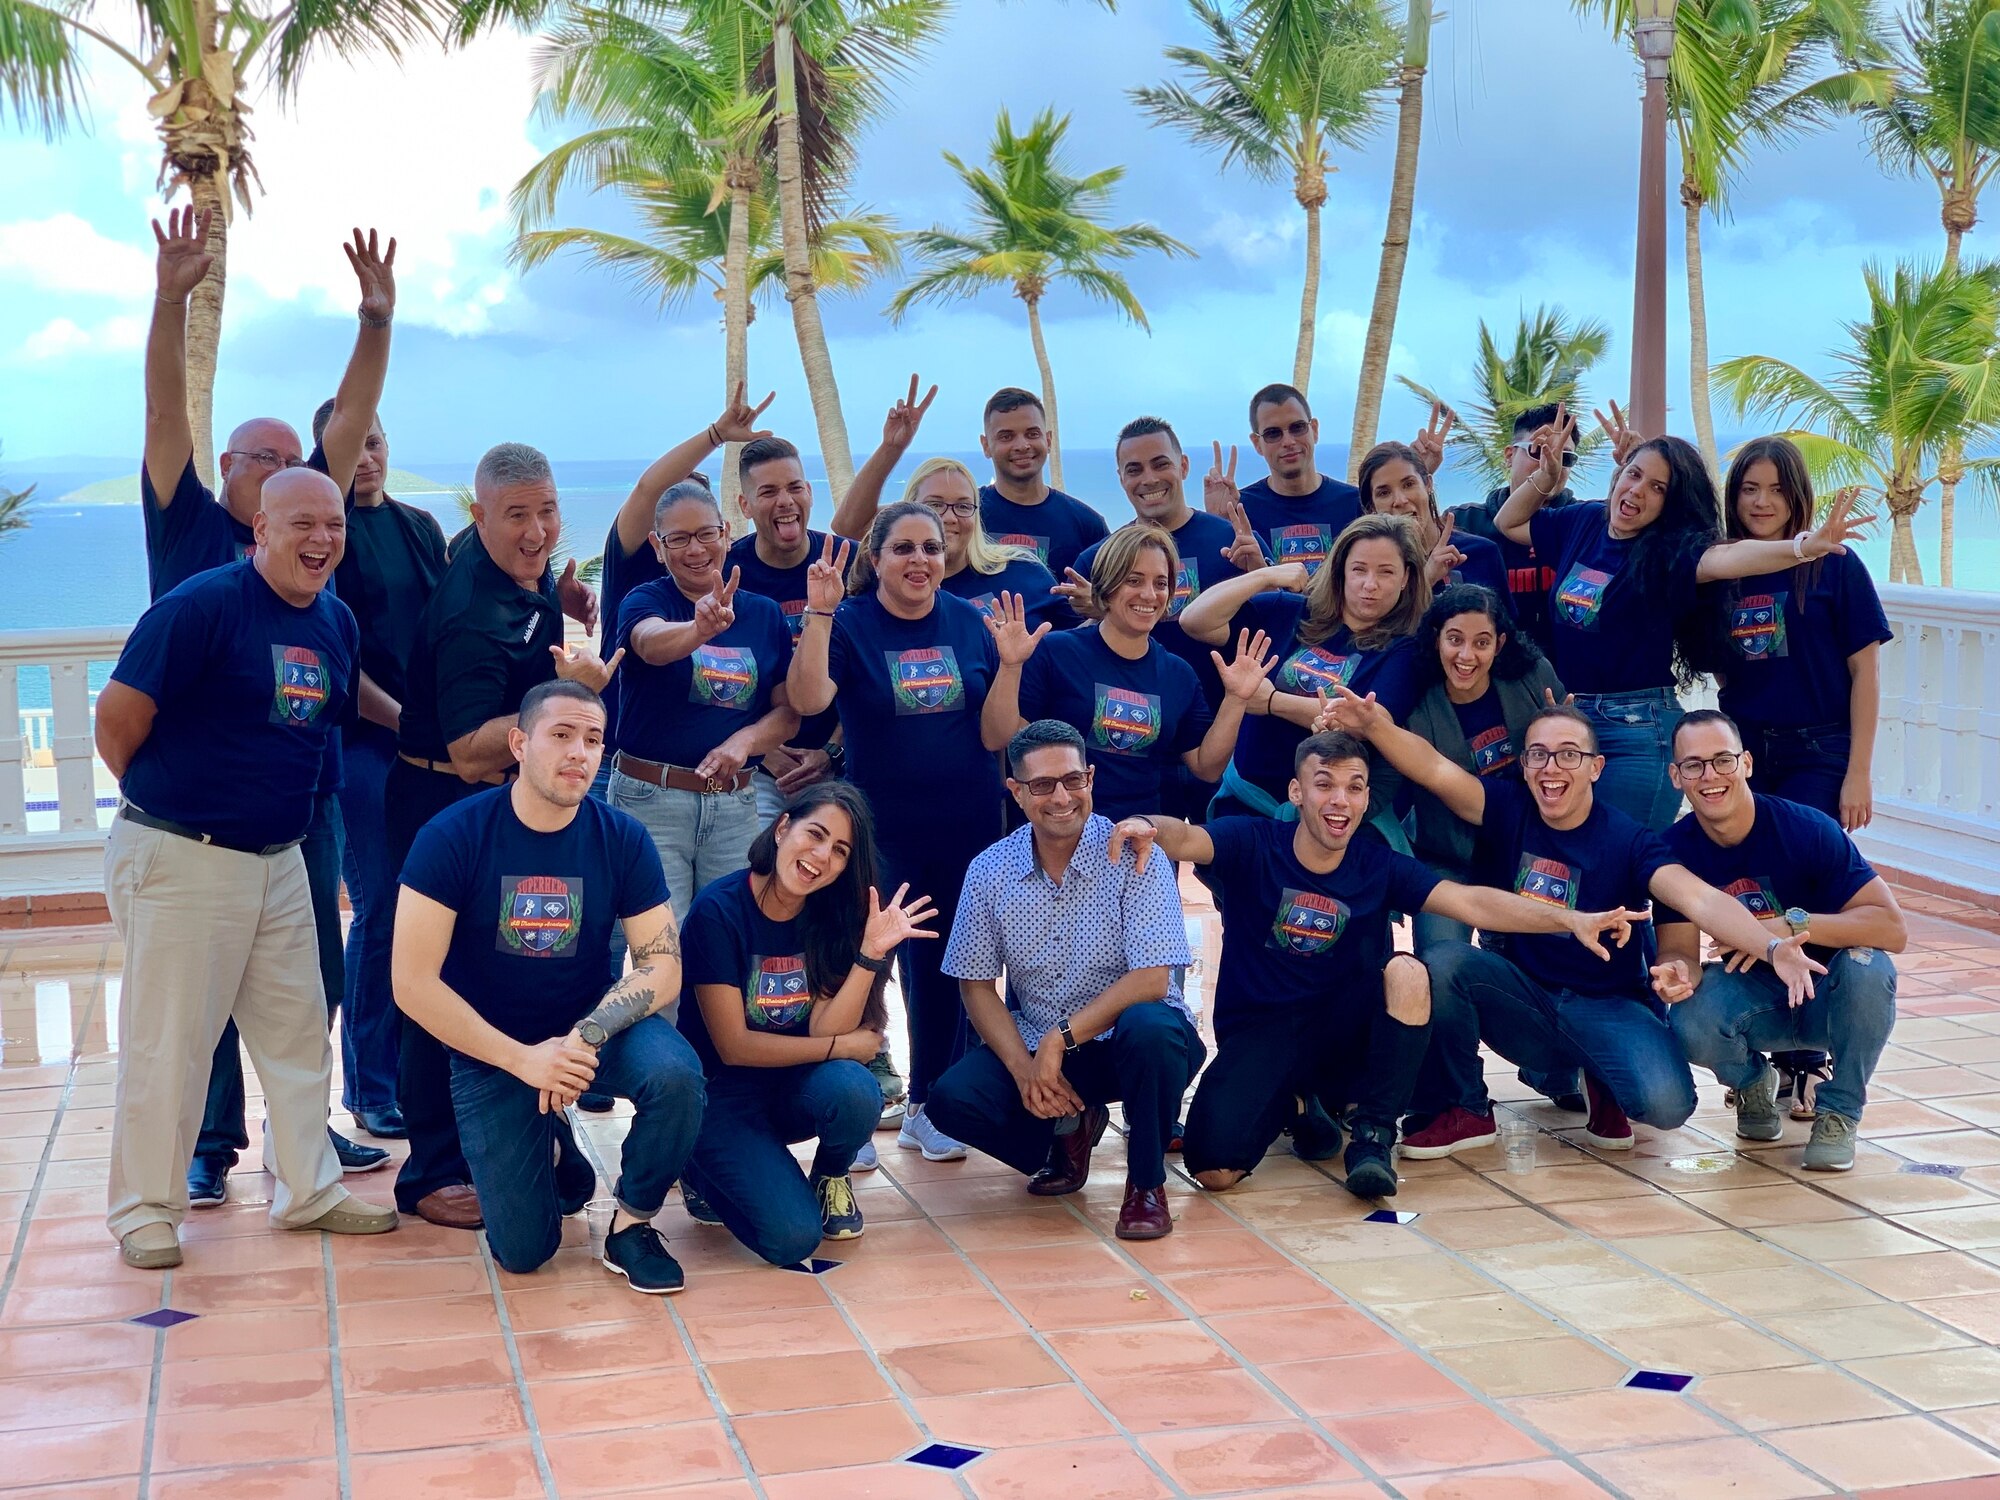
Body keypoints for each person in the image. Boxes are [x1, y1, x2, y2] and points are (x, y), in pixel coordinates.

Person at [142, 208, 399, 1202]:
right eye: (261, 456)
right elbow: (166, 415)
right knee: (201, 994)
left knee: (313, 982)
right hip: (199, 813)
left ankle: (308, 1138)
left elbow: (350, 420)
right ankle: (208, 1149)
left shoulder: (311, 532)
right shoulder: (189, 531)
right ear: (231, 473)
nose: (286, 467)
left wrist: (374, 324)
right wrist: (171, 301)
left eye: (298, 459)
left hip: (306, 803)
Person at [1103, 730, 1640, 1199]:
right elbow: (1189, 837)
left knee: (1408, 971)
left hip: (1345, 1031)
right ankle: (1297, 1108)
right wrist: (1147, 823)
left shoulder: (1377, 863)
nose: (1340, 800)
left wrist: (1568, 918)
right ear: (1297, 793)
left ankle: (1373, 1137)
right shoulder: (1253, 841)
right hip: (1262, 1030)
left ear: (1365, 800)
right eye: (1325, 784)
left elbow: (1471, 902)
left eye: (1354, 787)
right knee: (1215, 1170)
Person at [96, 469, 401, 1269]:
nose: (321, 539)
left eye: (333, 525)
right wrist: (174, 804)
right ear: (260, 529)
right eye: (301, 523)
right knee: (172, 1046)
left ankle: (310, 1189)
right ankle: (145, 1211)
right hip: (182, 857)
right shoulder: (200, 606)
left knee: (300, 1034)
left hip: (279, 862)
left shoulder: (333, 620)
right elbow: (118, 720)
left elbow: (315, 725)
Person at [1318, 691, 1826, 1156]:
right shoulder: (1505, 807)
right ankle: (1467, 1107)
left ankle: (1599, 1077)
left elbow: (1698, 897)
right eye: (1538, 754)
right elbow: (1434, 769)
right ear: (1525, 764)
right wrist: (1376, 726)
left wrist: (1771, 947)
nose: (1551, 767)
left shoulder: (1629, 841)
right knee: (1446, 961)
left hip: (1606, 1005)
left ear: (1596, 767)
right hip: (1525, 1000)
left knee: (1667, 1107)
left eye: (1568, 754)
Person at [392, 681, 704, 1290]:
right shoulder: (452, 836)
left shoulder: (622, 836)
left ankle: (632, 1225)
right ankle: (558, 1152)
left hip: (588, 1034)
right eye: (561, 735)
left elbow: (662, 966)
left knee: (676, 1074)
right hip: (493, 1052)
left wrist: (586, 1037)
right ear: (519, 743)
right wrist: (524, 1060)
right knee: (526, 1252)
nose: (579, 753)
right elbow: (411, 982)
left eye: (592, 740)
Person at [389, 442, 622, 1230]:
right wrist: (566, 692)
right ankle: (431, 1172)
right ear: (478, 516)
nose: (536, 529)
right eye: (516, 516)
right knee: (434, 984)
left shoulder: (515, 580)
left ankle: (520, 1130)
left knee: (503, 968)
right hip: (438, 800)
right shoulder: (472, 612)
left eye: (547, 510)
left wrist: (557, 602)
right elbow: (466, 747)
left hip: (491, 806)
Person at [1492, 407, 1870, 830]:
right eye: (1634, 475)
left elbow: (1728, 556)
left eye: (1657, 488)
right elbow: (1508, 521)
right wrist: (1546, 477)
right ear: (1618, 475)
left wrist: (1804, 547)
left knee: (1617, 859)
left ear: (1669, 504)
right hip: (1573, 715)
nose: (1637, 491)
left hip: (1638, 728)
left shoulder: (1670, 552)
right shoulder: (1583, 522)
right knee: (1565, 848)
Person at [787, 505, 1005, 1163]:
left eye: (932, 548)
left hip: (965, 824)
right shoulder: (850, 623)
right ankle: (847, 1111)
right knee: (861, 966)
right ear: (875, 559)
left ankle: (927, 1106)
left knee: (945, 969)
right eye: (903, 548)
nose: (920, 561)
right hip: (880, 830)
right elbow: (806, 700)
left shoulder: (969, 622)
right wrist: (819, 613)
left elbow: (996, 728)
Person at [928, 722, 1203, 1239]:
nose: (1061, 797)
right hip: (1048, 1051)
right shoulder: (990, 870)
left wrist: (1060, 1037)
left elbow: (1151, 978)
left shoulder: (1136, 853)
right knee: (952, 1100)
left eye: (1074, 780)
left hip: (1135, 1042)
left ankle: (1146, 1185)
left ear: (1091, 778)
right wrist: (1024, 1066)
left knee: (1150, 1028)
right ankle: (1068, 1130)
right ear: (1015, 790)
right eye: (1042, 785)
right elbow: (976, 985)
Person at [679, 783, 932, 1262]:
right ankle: (696, 1164)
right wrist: (842, 1048)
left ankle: (830, 1175)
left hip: (791, 1088)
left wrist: (870, 954)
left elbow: (822, 1027)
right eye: (814, 835)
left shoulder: (827, 914)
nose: (822, 856)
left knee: (856, 1090)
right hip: (721, 1095)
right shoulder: (719, 910)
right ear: (781, 828)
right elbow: (735, 1046)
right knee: (791, 1239)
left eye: (840, 851)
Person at [1654, 710, 1905, 1172]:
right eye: (1694, 765)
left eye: (1722, 760)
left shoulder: (1806, 828)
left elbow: (1892, 928)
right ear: (1675, 776)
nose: (1710, 776)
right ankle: (1753, 1082)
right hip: (1757, 996)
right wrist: (1676, 974)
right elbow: (1679, 949)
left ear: (1746, 763)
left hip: (1829, 992)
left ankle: (1839, 1113)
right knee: (1689, 1015)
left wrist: (1786, 929)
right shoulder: (1673, 850)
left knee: (1870, 968)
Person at [318, 399, 448, 1141]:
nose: (365, 458)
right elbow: (340, 658)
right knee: (382, 910)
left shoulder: (419, 528)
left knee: (433, 908)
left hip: (427, 748)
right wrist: (402, 723)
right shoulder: (326, 534)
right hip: (364, 748)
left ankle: (425, 1069)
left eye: (375, 442)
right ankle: (370, 1087)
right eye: (349, 446)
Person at [980, 526, 1275, 822]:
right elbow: (998, 738)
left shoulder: (1178, 674)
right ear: (1107, 588)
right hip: (1057, 831)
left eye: (1161, 583)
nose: (1149, 594)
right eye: (1134, 580)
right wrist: (1010, 666)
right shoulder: (1055, 652)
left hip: (1140, 839)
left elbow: (1206, 766)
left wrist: (1236, 699)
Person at [612, 482, 799, 919]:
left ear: (727, 533)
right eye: (678, 539)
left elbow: (787, 713)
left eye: (705, 534)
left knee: (726, 940)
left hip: (734, 806)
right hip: (653, 802)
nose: (694, 549)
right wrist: (698, 630)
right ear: (658, 547)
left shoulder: (763, 613)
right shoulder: (645, 600)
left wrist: (747, 741)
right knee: (661, 947)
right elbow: (649, 642)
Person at [1178, 513, 1429, 825]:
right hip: (1247, 806)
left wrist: (1271, 702)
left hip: (1328, 823)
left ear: (1406, 578)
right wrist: (1265, 577)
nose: (1370, 584)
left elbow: (1368, 721)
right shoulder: (1290, 611)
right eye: (1359, 569)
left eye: (1386, 572)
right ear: (1341, 571)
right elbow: (1194, 620)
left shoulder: (1405, 648)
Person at [725, 404, 901, 826]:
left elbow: (875, 665)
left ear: (809, 491)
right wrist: (763, 749)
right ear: (744, 505)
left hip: (843, 762)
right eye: (768, 492)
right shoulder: (728, 574)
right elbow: (716, 679)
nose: (785, 501)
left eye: (794, 487)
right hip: (757, 770)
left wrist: (833, 750)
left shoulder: (850, 561)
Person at [1711, 438, 1892, 830]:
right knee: (1749, 873)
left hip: (1819, 750)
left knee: (1800, 863)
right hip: (1744, 750)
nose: (1762, 502)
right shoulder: (1720, 570)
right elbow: (1721, 668)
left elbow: (1867, 672)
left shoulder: (1834, 565)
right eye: (1750, 489)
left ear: (1798, 496)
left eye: (1778, 490)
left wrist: (1858, 773)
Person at [1402, 584, 1566, 949]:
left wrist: (1566, 734)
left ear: (1500, 643)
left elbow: (1574, 750)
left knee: (1539, 960)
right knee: (1441, 961)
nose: (1466, 655)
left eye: (1481, 642)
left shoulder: (1533, 677)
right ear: (1436, 638)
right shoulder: (1415, 699)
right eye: (1455, 640)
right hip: (1448, 857)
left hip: (1526, 850)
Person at [1069, 417, 1271, 712]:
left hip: (1229, 722)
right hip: (1134, 726)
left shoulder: (1232, 538)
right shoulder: (1098, 560)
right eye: (1134, 469)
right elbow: (1077, 662)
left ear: (1184, 466)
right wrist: (1101, 611)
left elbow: (1281, 622)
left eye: (1160, 464)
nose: (1149, 478)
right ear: (1121, 478)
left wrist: (1259, 572)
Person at [1444, 400, 1608, 648]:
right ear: (1509, 455)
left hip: (1568, 679)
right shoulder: (1463, 523)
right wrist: (1421, 474)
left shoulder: (1588, 526)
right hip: (1483, 673)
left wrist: (1635, 462)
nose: (1551, 462)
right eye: (1540, 450)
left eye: (1565, 457)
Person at [1203, 383, 1361, 579]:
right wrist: (1219, 524)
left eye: (1297, 428)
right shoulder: (1240, 510)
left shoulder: (1355, 503)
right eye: (1273, 434)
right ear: (1257, 444)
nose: (1288, 441)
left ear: (1314, 430)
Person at [913, 458, 1071, 629]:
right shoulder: (896, 587)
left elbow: (1083, 640)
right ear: (910, 509)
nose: (950, 518)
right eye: (935, 505)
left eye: (963, 506)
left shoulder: (1021, 570)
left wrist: (1099, 610)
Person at [977, 387, 1110, 578]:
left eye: (1032, 434)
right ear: (986, 445)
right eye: (1006, 436)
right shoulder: (966, 515)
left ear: (1048, 440)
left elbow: (1115, 595)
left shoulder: (1087, 525)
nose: (1022, 446)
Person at [1356, 440, 1506, 597]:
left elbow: (1502, 620)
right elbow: (1376, 621)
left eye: (1408, 484)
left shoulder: (1480, 552)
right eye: (1384, 493)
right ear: (1371, 507)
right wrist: (1426, 580)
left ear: (1428, 484)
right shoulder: (1368, 571)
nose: (1400, 500)